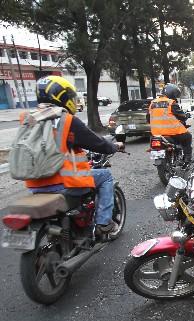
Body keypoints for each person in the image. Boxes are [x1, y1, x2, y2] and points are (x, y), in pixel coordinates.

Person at [24, 76, 124, 234]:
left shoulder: (28, 119)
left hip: (34, 185)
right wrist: (114, 146)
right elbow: (98, 143)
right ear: (61, 96)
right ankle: (103, 222)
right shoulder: (67, 121)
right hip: (63, 183)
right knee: (105, 175)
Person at [150, 83, 192, 164]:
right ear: (172, 93)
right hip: (172, 132)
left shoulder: (153, 103)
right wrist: (186, 116)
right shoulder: (171, 103)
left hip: (156, 134)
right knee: (188, 137)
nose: (175, 97)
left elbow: (148, 118)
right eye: (175, 95)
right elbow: (182, 117)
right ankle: (187, 158)